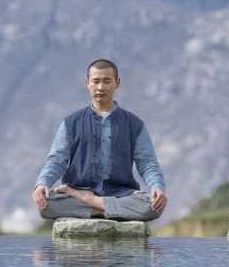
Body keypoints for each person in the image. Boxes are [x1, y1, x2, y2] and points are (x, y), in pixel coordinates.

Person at [32, 59, 167, 221]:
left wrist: (157, 187)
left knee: (152, 206)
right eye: (96, 81)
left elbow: (147, 163)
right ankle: (109, 209)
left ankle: (90, 202)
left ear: (117, 83)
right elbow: (57, 160)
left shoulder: (134, 124)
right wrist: (42, 184)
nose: (101, 87)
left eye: (107, 81)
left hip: (121, 193)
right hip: (76, 191)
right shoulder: (71, 122)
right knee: (46, 205)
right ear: (87, 83)